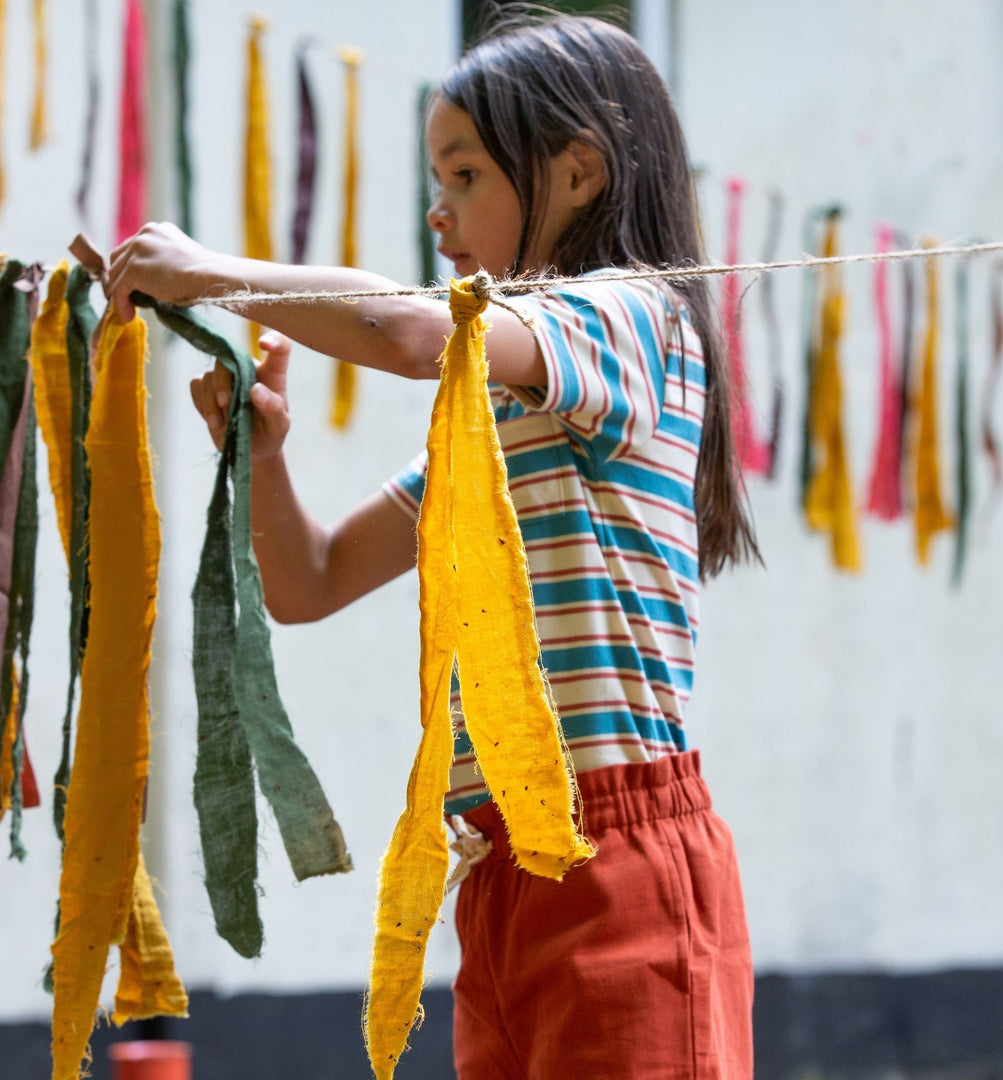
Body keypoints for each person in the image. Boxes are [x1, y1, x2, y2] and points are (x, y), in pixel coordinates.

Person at [107, 12, 759, 1079]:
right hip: (501, 867)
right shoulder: (494, 420)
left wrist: (205, 271)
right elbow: (309, 581)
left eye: (463, 175)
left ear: (579, 173)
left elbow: (417, 334)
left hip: (623, 855)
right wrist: (261, 453)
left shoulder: (634, 319)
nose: (436, 209)